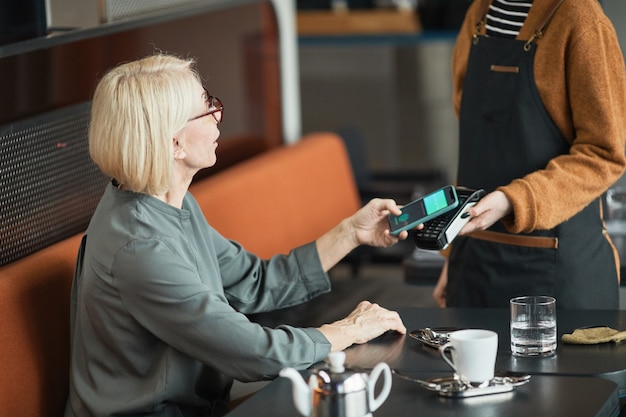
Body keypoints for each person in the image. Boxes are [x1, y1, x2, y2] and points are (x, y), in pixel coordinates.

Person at [64, 53, 409, 417]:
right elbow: (256, 353)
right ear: (173, 145)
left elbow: (256, 281)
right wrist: (347, 329)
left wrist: (351, 233)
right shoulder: (140, 249)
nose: (217, 115)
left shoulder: (170, 201)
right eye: (206, 108)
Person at [433, 0, 626, 309]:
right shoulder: (479, 13)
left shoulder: (581, 19)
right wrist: (450, 253)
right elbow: (477, 147)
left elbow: (604, 154)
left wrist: (513, 200)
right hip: (473, 267)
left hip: (558, 277)